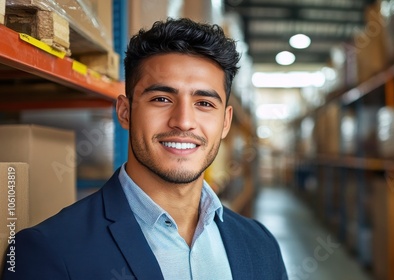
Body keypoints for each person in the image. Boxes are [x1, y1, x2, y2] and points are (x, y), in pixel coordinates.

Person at [2, 18, 287, 280]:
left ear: (225, 123)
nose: (184, 122)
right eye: (162, 99)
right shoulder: (48, 251)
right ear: (125, 112)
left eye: (204, 104)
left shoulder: (261, 245)